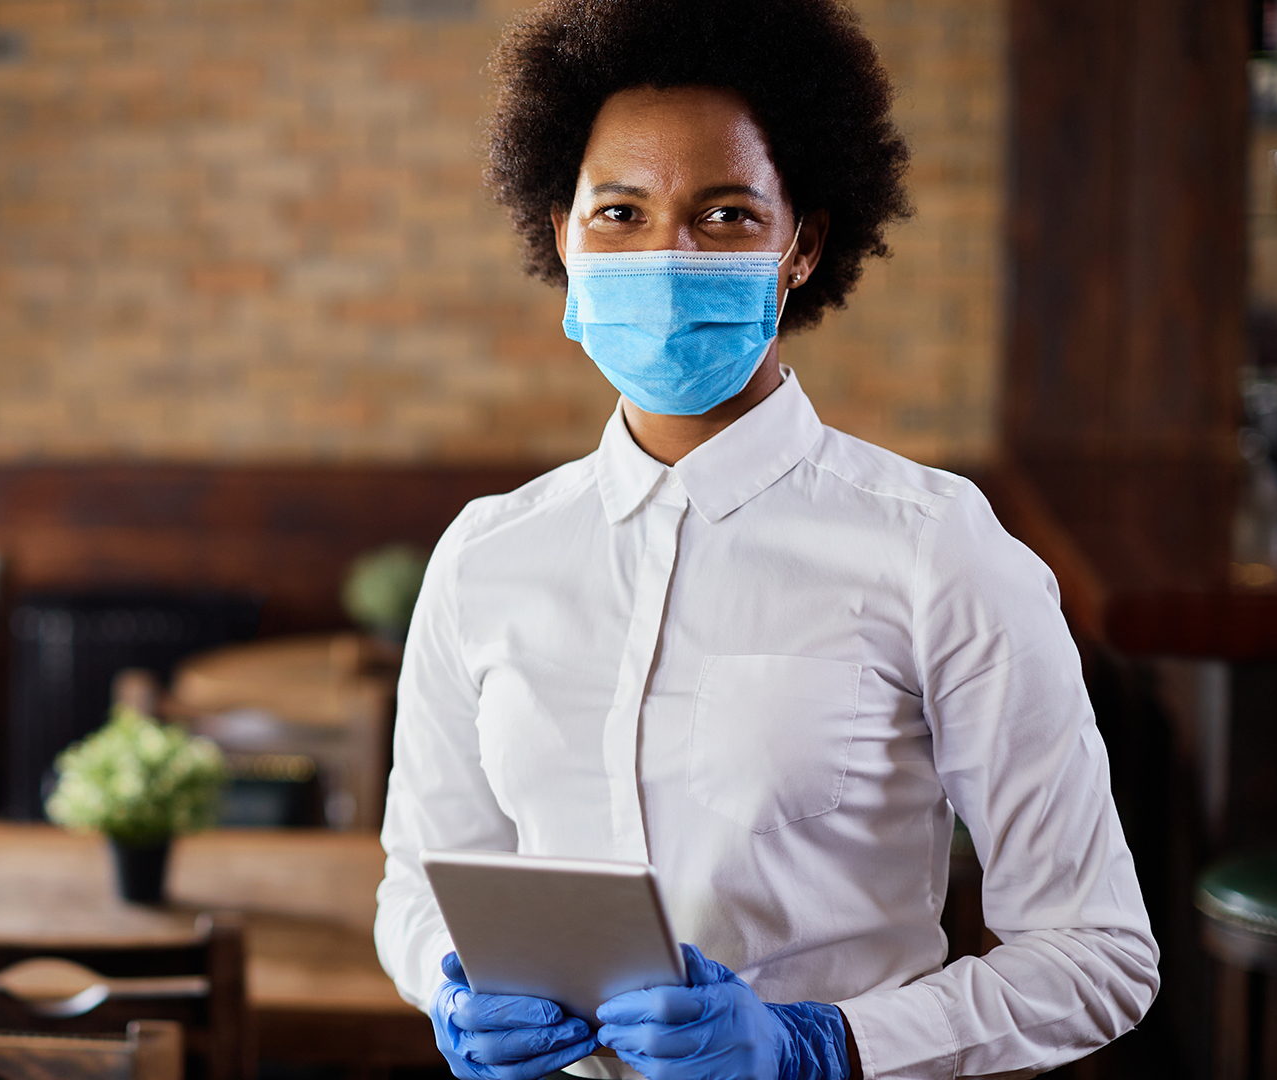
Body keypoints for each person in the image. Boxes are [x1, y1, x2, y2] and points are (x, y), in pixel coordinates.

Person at [373, 3, 1158, 1079]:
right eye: (621, 213)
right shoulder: (485, 557)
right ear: (562, 232)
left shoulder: (937, 551)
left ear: (803, 245)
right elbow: (417, 880)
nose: (666, 253)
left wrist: (822, 1046)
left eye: (727, 215)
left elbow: (1099, 955)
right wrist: (447, 980)